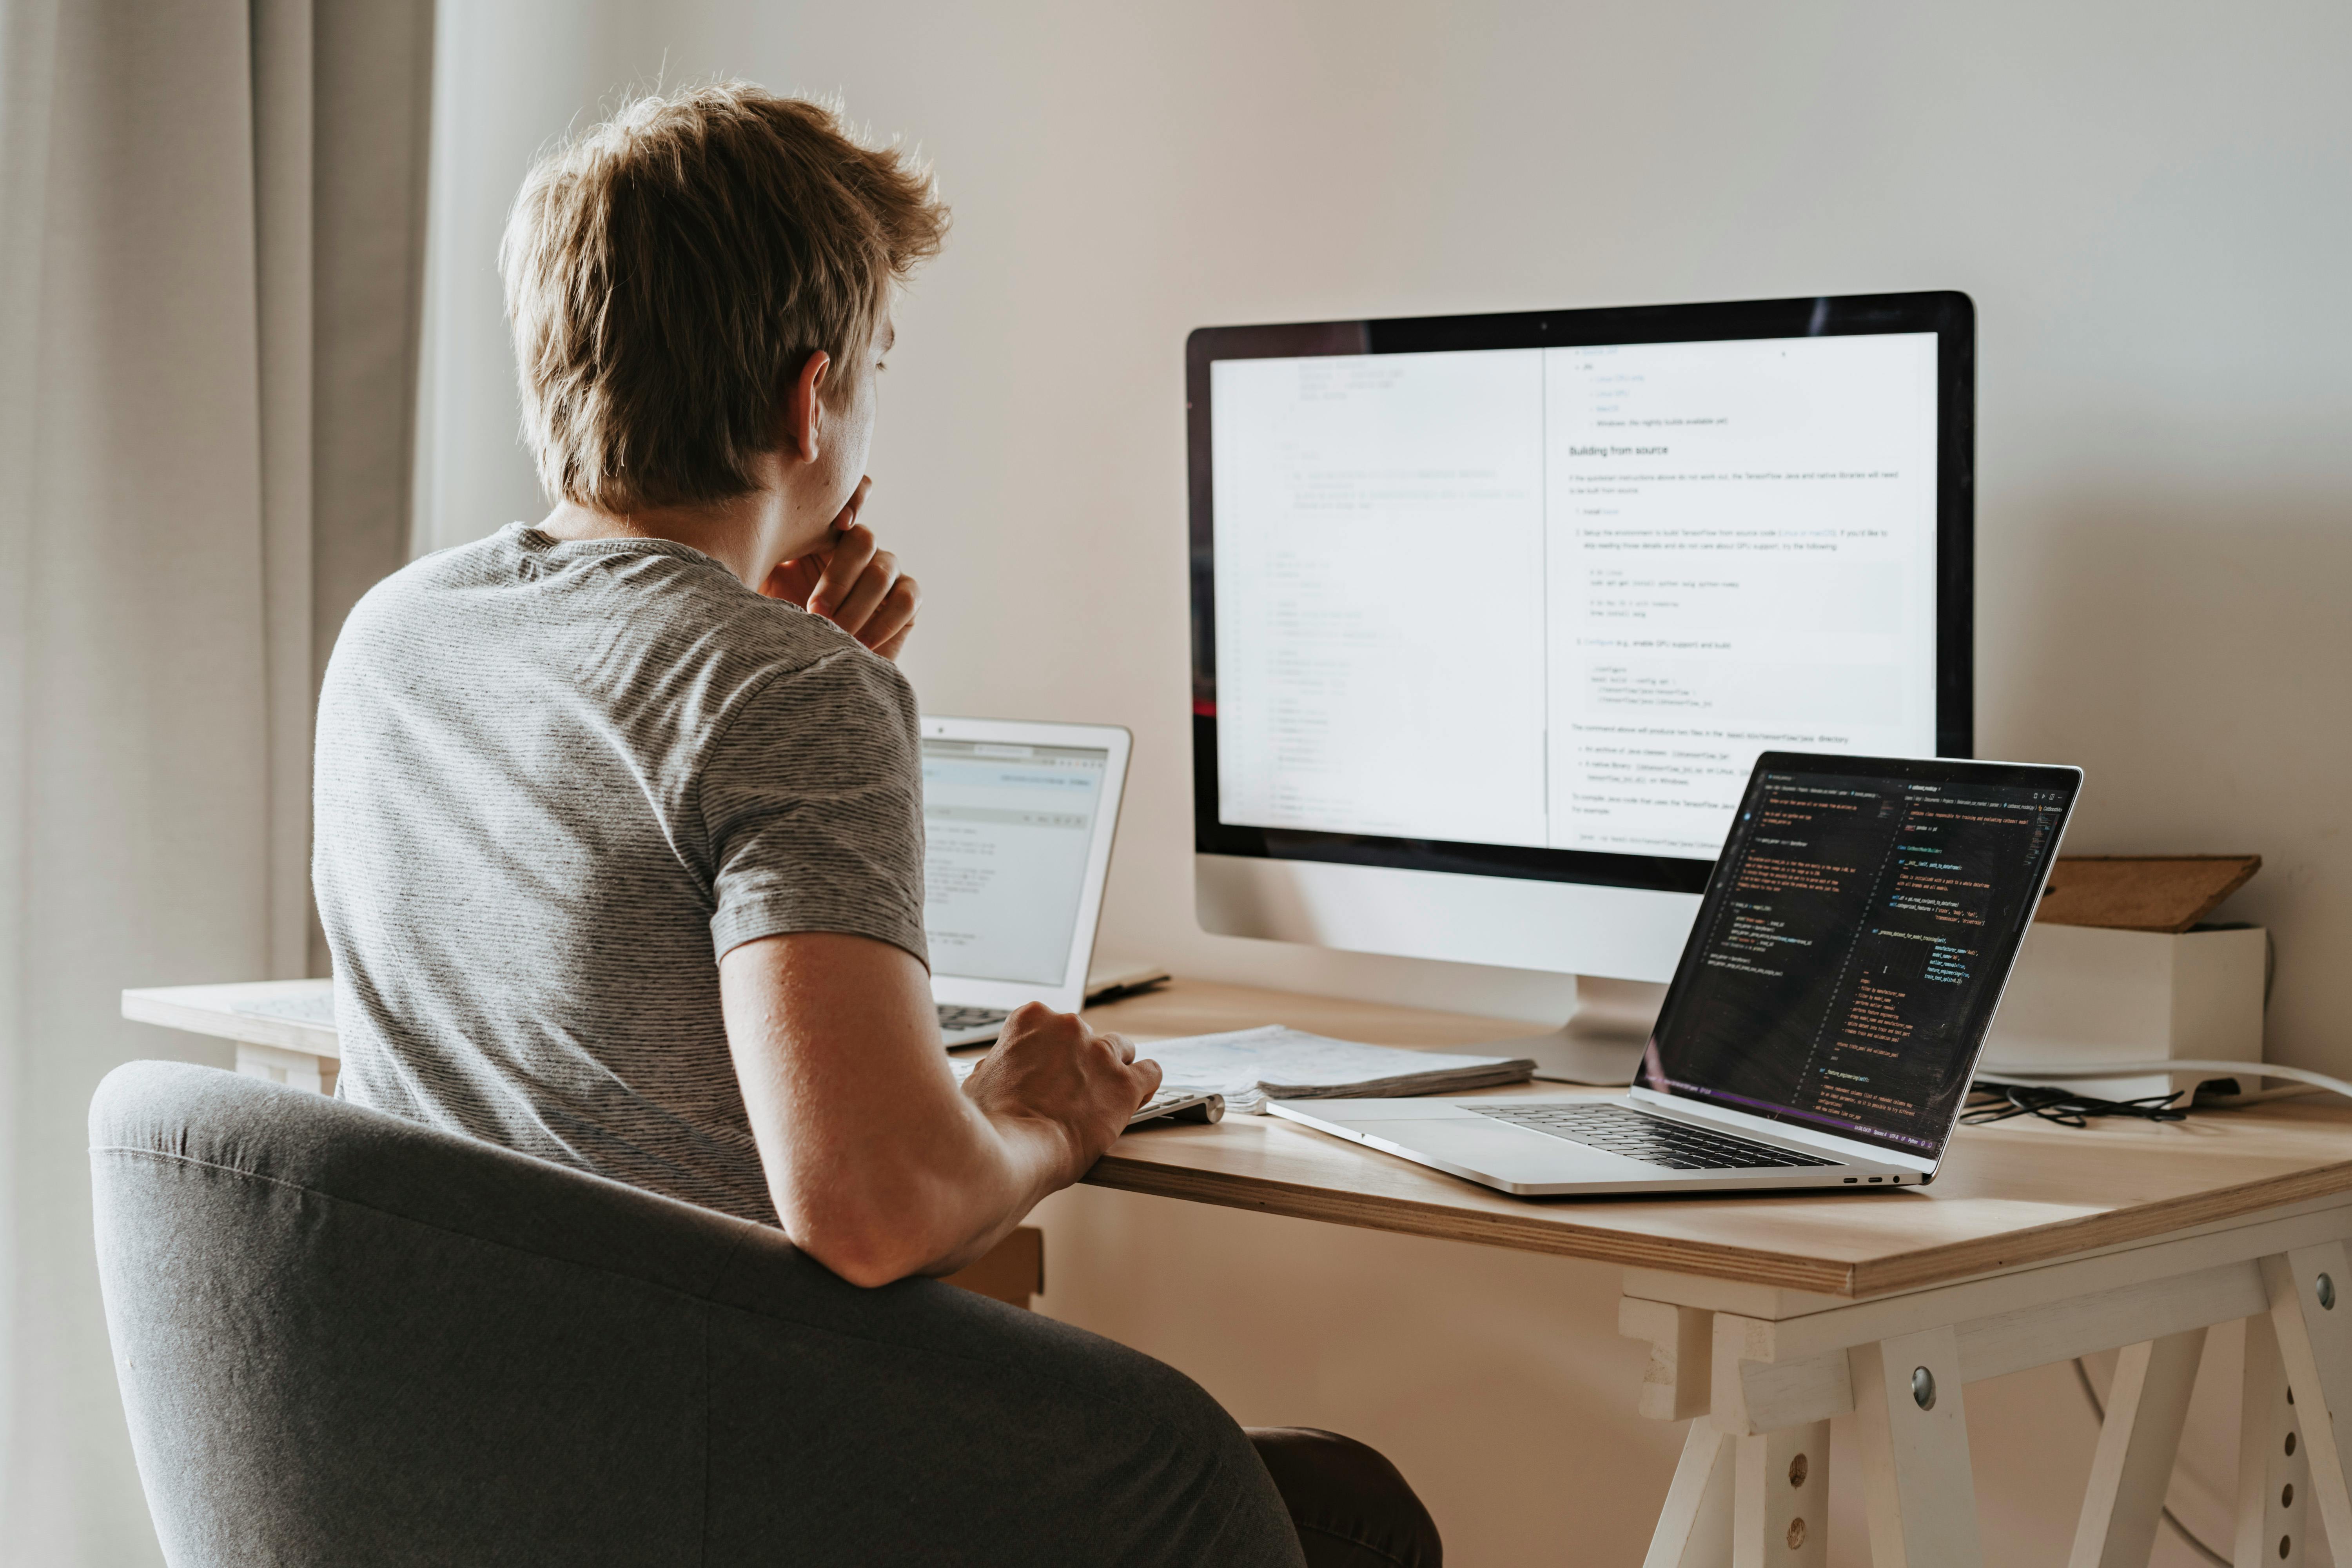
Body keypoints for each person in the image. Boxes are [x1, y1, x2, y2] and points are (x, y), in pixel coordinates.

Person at [312, 82, 1440, 1567]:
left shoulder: (399, 634)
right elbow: (876, 1207)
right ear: (811, 396)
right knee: (1343, 1507)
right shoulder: (783, 689)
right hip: (704, 1472)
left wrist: (787, 662)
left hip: (463, 1464)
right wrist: (1044, 1117)